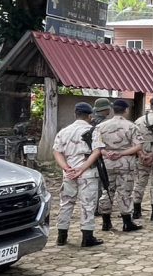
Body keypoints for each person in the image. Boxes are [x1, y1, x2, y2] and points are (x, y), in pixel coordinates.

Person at [52, 103, 105, 247]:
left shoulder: (64, 131)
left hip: (69, 173)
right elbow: (97, 151)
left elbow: (57, 151)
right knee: (88, 205)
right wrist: (82, 168)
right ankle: (87, 237)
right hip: (88, 173)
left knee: (66, 203)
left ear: (75, 114)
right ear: (90, 116)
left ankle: (61, 236)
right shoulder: (93, 130)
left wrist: (66, 167)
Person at [94, 98, 144, 234]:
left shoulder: (101, 126)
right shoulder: (131, 126)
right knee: (125, 192)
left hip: (107, 163)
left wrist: (107, 153)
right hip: (125, 164)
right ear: (126, 110)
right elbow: (138, 146)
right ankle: (127, 222)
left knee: (107, 191)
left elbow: (97, 146)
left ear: (112, 110)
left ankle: (106, 222)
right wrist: (121, 153)